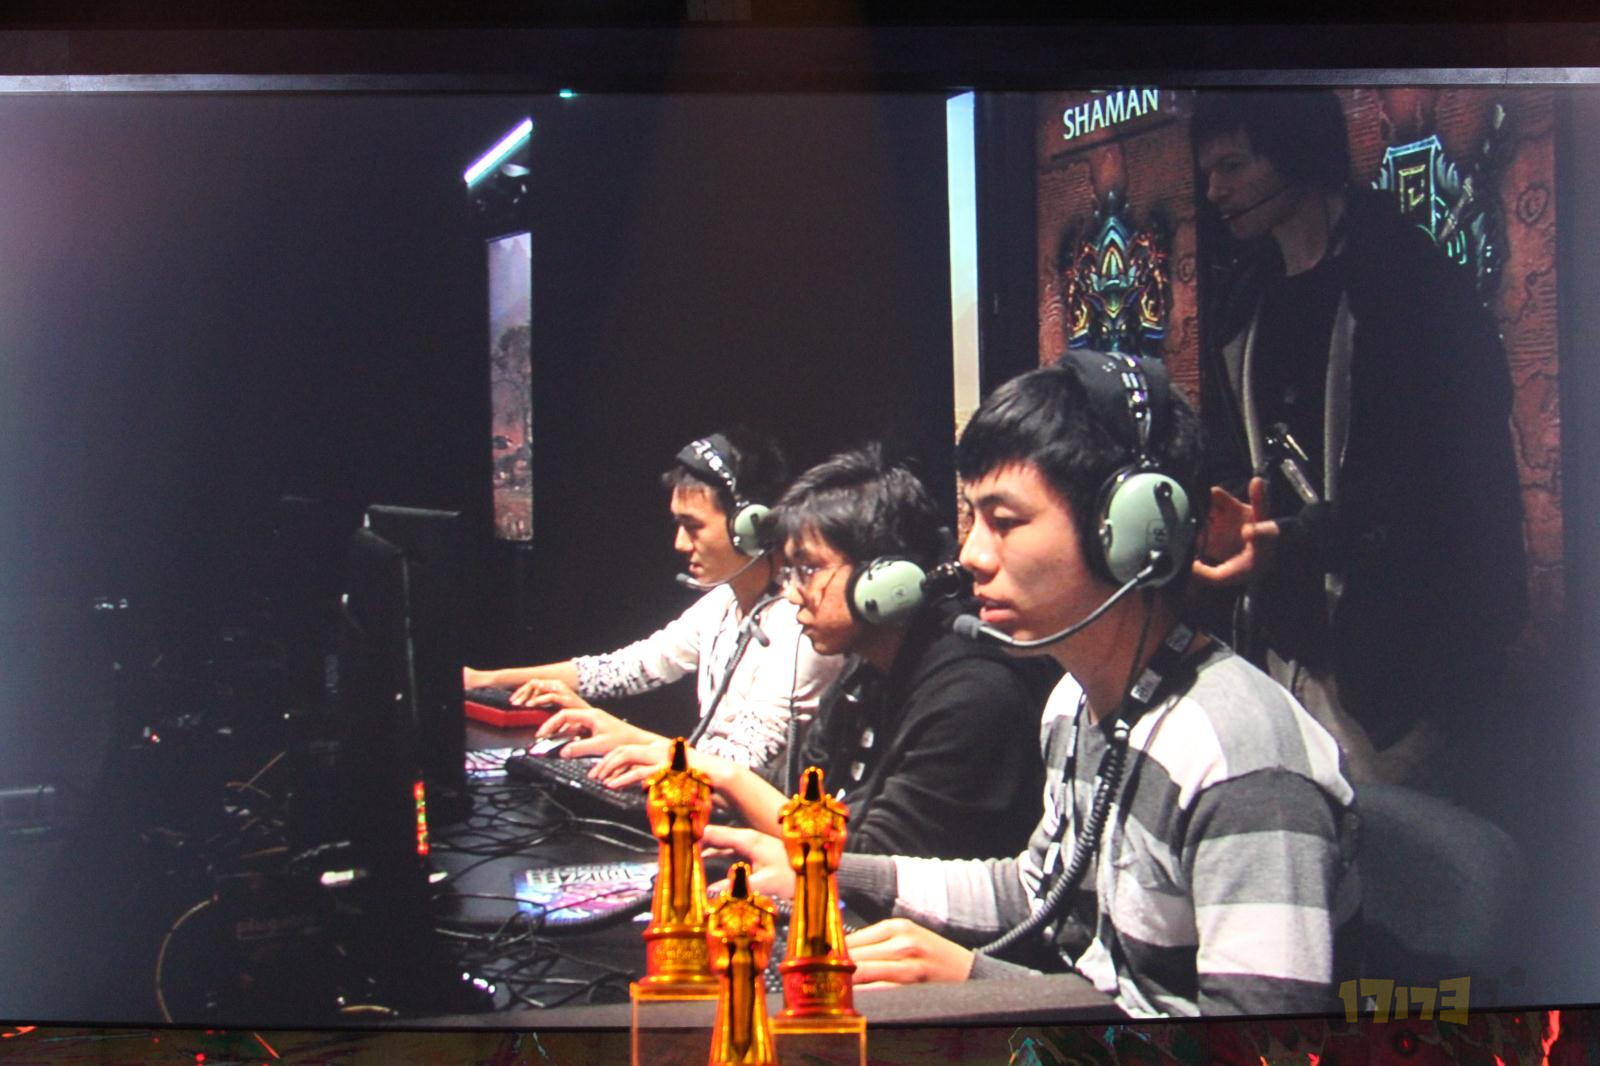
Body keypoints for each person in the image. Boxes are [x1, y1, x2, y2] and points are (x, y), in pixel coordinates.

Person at [705, 356, 1360, 1018]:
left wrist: (979, 981)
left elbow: (1265, 1044)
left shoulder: (1239, 759)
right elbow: (1035, 889)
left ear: (1131, 532)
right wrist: (828, 872)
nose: (971, 555)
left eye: (1005, 521)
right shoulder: (1073, 704)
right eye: (973, 519)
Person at [1188, 90, 1526, 789]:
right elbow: (1230, 453)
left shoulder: (1410, 285)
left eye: (1233, 165)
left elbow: (1444, 486)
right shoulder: (1241, 305)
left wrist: (1303, 538)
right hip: (1281, 649)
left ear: (1297, 153)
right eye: (1208, 171)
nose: (1214, 191)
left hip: (1397, 672)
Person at [592, 446, 1052, 862]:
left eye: (808, 570)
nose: (792, 594)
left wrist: (727, 778)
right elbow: (798, 794)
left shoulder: (973, 696)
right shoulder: (866, 671)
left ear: (884, 580)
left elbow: (871, 862)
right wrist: (706, 785)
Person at [463, 430, 844, 773]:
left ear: (753, 526)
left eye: (693, 526)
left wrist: (617, 733)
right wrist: (486, 680)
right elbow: (628, 668)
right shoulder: (723, 602)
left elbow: (743, 762)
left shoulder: (801, 625)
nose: (680, 543)